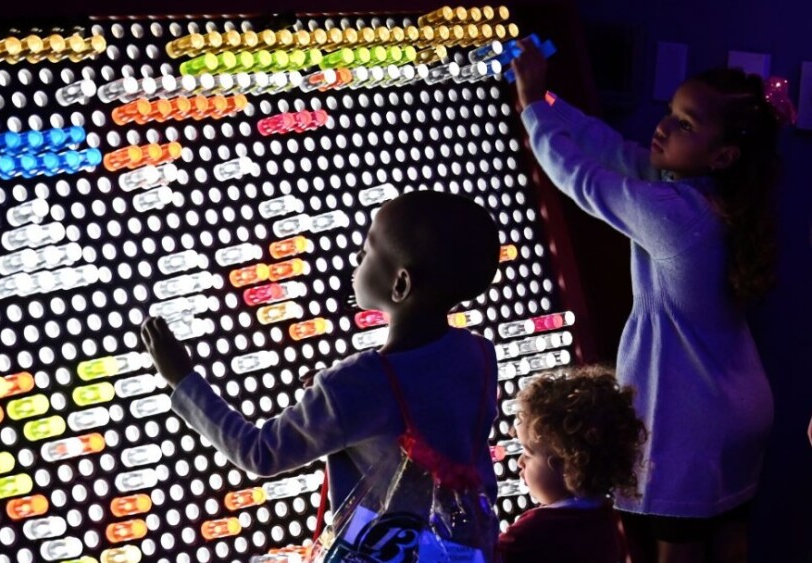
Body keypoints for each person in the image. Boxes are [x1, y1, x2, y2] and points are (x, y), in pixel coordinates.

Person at [511, 39, 781, 563]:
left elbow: (586, 180)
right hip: (741, 406)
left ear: (722, 155)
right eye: (668, 112)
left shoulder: (676, 214)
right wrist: (543, 97)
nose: (662, 126)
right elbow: (609, 146)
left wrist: (530, 108)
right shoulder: (712, 197)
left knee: (671, 554)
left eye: (684, 124)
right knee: (730, 545)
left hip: (688, 417)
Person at [140, 190, 502, 516]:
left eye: (368, 249)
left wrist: (183, 380)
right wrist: (345, 396)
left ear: (400, 284)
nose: (358, 258)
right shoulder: (479, 355)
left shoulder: (355, 386)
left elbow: (260, 452)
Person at [497, 365, 647, 563]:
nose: (520, 462)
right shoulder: (605, 518)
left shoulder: (530, 532)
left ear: (566, 463)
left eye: (528, 453)